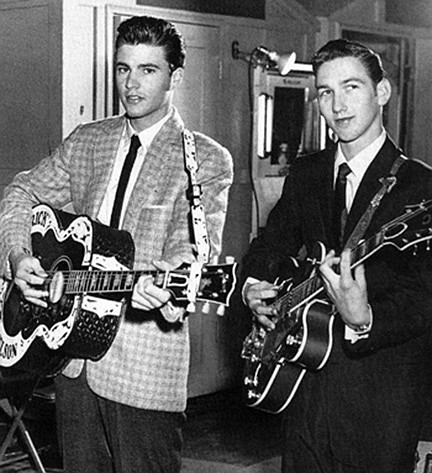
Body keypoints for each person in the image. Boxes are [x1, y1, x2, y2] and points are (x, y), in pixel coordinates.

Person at [0, 15, 233, 473]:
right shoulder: (89, 141)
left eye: (148, 69)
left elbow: (193, 246)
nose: (131, 83)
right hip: (71, 364)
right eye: (124, 68)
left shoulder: (202, 159)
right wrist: (18, 253)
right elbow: (22, 191)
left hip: (143, 371)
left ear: (174, 77)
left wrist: (169, 281)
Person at [242, 38, 432, 473]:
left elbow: (425, 299)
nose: (338, 105)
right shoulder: (307, 173)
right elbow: (269, 246)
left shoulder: (421, 190)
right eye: (326, 92)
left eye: (352, 87)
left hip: (379, 404)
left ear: (381, 92)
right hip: (302, 390)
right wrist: (253, 285)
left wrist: (364, 318)